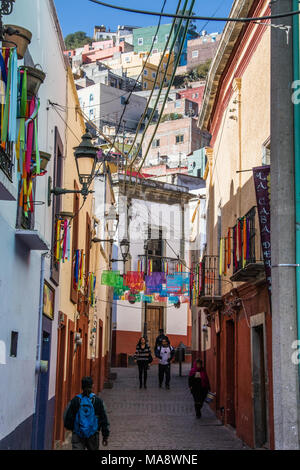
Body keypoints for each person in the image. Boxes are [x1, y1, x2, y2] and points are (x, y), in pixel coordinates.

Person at [64, 376, 110, 450]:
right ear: (92, 386)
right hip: (93, 434)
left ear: (81, 387)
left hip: (78, 434)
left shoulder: (75, 400)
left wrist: (73, 428)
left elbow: (67, 418)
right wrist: (105, 436)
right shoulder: (98, 401)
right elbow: (104, 419)